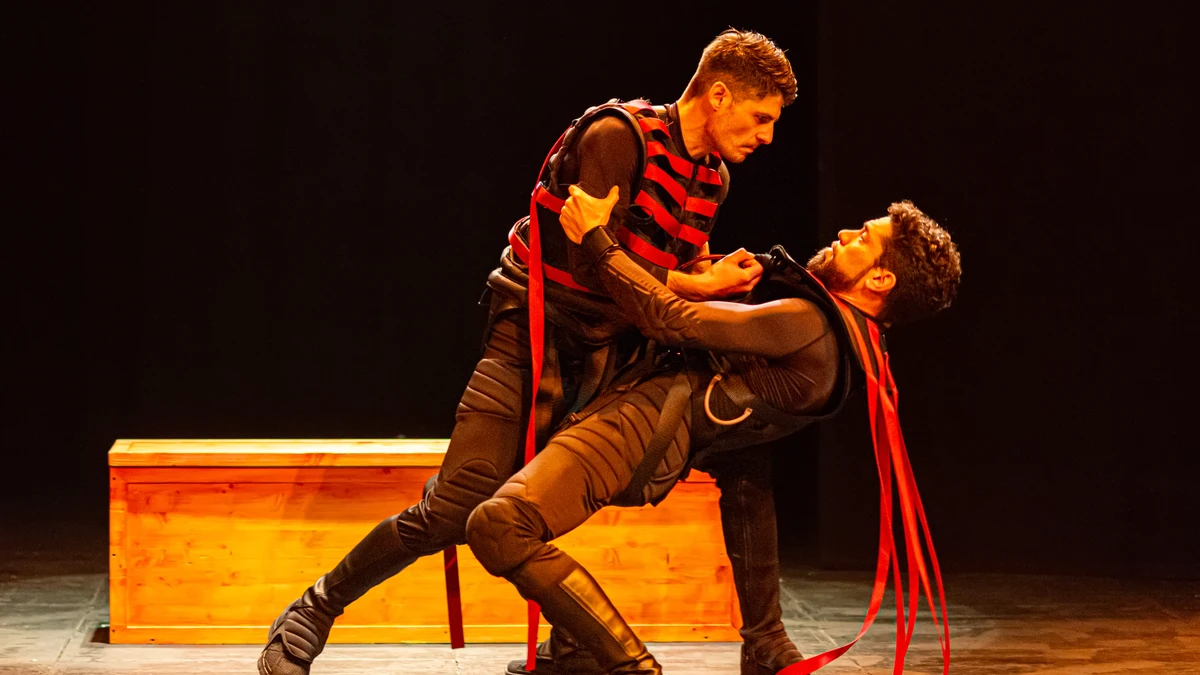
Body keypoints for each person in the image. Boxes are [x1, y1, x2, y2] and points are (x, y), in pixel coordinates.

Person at [257, 29, 798, 675]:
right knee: (456, 508)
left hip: (614, 348)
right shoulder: (619, 137)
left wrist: (712, 274)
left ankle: (587, 645)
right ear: (719, 95)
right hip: (535, 333)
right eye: (760, 117)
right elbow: (592, 261)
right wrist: (696, 286)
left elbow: (667, 264)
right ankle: (314, 607)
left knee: (604, 486)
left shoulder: (713, 177)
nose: (767, 136)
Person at [464, 192, 962, 675]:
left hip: (642, 424)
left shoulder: (809, 323)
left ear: (880, 278)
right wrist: (769, 637)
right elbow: (746, 473)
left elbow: (669, 319)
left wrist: (596, 239)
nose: (845, 234)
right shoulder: (860, 352)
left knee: (499, 525)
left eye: (863, 238)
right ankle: (758, 643)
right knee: (748, 466)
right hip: (659, 429)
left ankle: (628, 664)